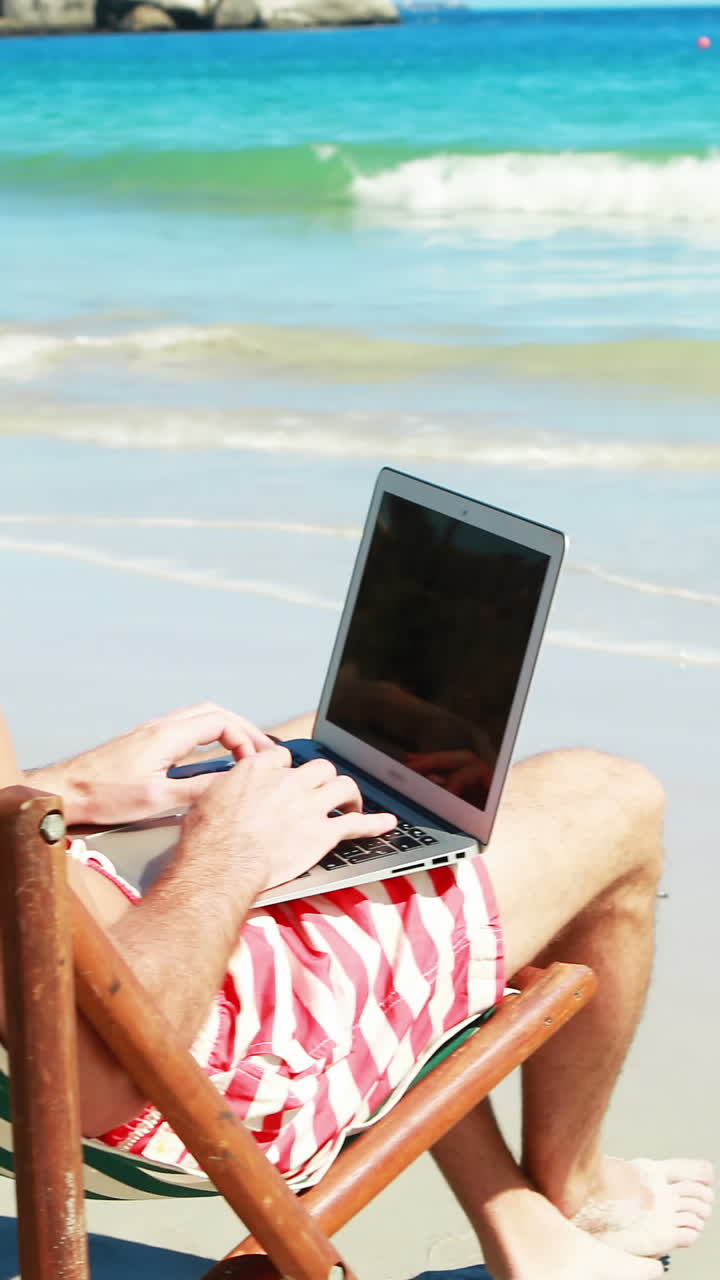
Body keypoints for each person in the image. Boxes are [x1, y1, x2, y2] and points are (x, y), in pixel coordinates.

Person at [0, 702, 714, 1280]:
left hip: (93, 940)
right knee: (613, 797)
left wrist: (72, 787)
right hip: (188, 1080)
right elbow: (87, 1080)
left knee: (347, 743)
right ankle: (574, 1191)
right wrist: (230, 853)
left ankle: (513, 1214)